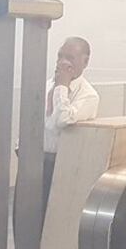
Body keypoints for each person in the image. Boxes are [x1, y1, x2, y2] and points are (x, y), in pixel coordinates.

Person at [41, 36, 100, 214]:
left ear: (85, 62)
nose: (62, 62)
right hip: (35, 160)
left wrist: (62, 88)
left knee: (50, 216)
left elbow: (61, 121)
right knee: (25, 217)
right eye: (60, 56)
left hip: (61, 164)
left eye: (70, 58)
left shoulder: (88, 96)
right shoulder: (45, 86)